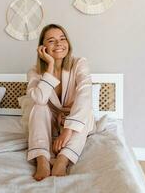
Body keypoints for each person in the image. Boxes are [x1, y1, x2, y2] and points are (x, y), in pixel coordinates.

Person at [27, 24, 96, 181]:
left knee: (87, 110)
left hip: (74, 119)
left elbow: (84, 95)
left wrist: (68, 130)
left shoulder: (79, 63)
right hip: (50, 121)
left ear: (68, 43)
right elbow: (40, 99)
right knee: (38, 106)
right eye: (51, 40)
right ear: (42, 48)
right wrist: (50, 66)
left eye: (62, 39)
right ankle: (42, 159)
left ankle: (63, 160)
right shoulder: (34, 72)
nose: (58, 44)